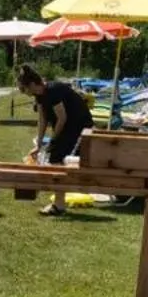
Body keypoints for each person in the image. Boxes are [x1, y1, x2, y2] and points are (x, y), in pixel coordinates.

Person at [17, 65, 94, 216]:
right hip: (68, 126)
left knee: (57, 159)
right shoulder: (39, 96)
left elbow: (62, 118)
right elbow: (43, 119)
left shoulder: (53, 91)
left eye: (23, 89)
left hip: (79, 126)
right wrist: (38, 144)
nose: (23, 93)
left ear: (32, 85)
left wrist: (53, 139)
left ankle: (59, 205)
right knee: (56, 159)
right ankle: (59, 203)